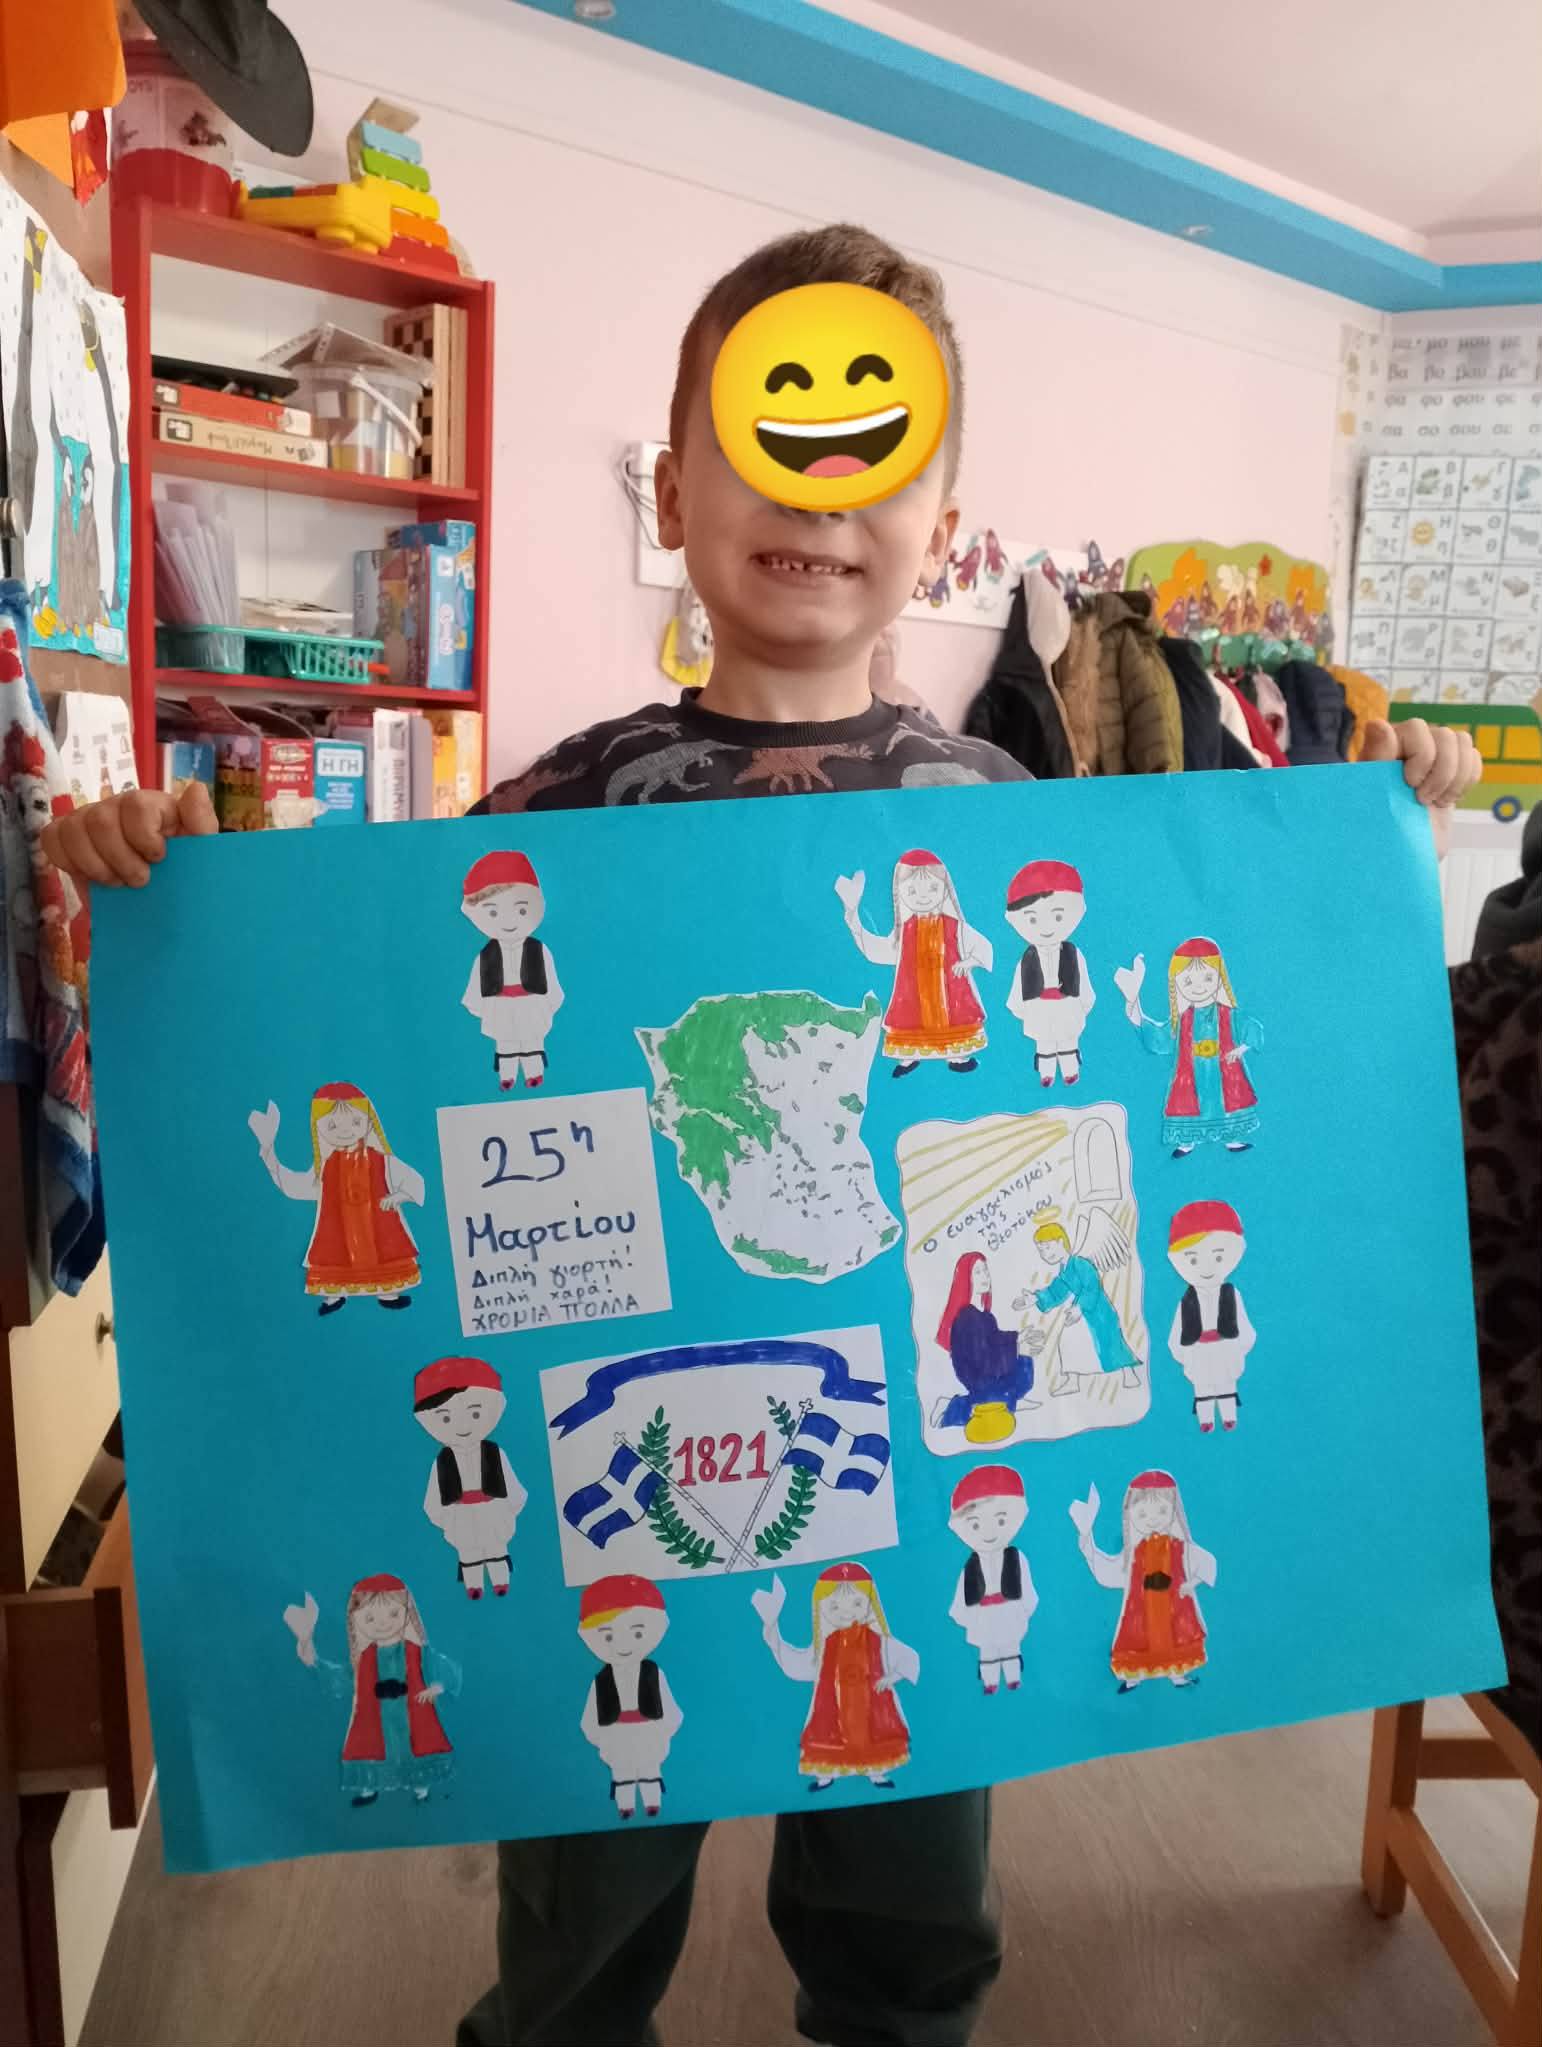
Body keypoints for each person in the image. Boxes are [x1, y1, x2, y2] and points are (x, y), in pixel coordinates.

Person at [42, 221, 1478, 2047]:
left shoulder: (1002, 807)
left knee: (908, 1924)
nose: (816, 492)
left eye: (876, 451)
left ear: (941, 522)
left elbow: (1170, 1037)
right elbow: (373, 1019)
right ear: (674, 483)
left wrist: (1386, 814)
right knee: (577, 1935)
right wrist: (164, 881)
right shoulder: (564, 803)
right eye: (759, 437)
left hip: (913, 1451)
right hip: (618, 1457)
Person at [248, 1081, 424, 1314]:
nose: (345, 1131)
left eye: (356, 1122)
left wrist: (399, 1196)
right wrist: (268, 1151)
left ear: (368, 1121)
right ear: (318, 1127)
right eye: (332, 1125)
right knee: (334, 1255)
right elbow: (295, 1187)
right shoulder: (326, 1167)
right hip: (340, 1231)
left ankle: (388, 1292)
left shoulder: (383, 1161)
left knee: (385, 1255)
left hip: (378, 1227)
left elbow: (414, 1180)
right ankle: (335, 1295)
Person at [284, 1574, 458, 1807]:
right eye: (370, 1618)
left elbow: (440, 1667)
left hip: (412, 1712)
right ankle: (369, 1789)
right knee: (372, 1749)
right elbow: (341, 1678)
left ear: (407, 1613)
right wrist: (310, 1653)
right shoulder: (364, 1659)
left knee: (415, 1747)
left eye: (393, 1614)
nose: (383, 1624)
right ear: (356, 1621)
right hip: (376, 1716)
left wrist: (438, 1685)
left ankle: (421, 1790)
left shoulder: (417, 1651)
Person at [752, 1563, 919, 1789]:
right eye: (835, 1606)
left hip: (871, 1704)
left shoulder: (878, 1641)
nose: (846, 1612)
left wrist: (892, 1677)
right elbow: (797, 1664)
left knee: (874, 1735)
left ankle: (875, 1772)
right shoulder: (825, 1645)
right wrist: (771, 1628)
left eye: (857, 1603)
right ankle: (827, 1774)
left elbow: (908, 1657)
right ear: (822, 1608)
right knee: (829, 1736)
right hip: (834, 1706)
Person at [835, 847, 992, 1075]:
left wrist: (969, 962)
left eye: (933, 888)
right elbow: (877, 951)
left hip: (949, 990)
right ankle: (910, 1056)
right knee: (910, 1018)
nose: (923, 896)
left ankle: (956, 1056)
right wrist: (852, 915)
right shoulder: (905, 931)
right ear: (900, 893)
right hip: (914, 993)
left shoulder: (954, 926)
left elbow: (981, 945)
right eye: (912, 890)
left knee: (955, 1019)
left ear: (945, 889)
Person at [1115, 936, 1263, 1157]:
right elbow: (1158, 1039)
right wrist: (1133, 1001)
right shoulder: (1183, 1020)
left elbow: (1252, 1028)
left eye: (1208, 978)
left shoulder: (1228, 1015)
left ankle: (1231, 1137)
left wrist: (1240, 1049)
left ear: (1220, 977)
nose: (1199, 987)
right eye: (1188, 981)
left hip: (1225, 1076)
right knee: (1187, 1103)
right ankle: (1187, 1140)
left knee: (1228, 1103)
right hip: (1191, 1078)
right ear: (1177, 983)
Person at [1069, 1471, 1216, 1691]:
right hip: (1141, 1611)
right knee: (1138, 1641)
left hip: (1174, 1608)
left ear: (1174, 1511)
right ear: (1131, 1514)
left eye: (1162, 1511)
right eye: (1143, 1513)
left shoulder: (1180, 1547)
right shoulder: (1134, 1553)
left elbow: (1206, 1563)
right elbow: (1107, 1571)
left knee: (1175, 1639)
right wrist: (1086, 1537)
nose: (1153, 1519)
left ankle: (1176, 1675)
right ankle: (1134, 1677)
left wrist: (1190, 1584)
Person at [413, 1357, 528, 1599]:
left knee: (496, 1546)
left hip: (492, 1507)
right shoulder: (442, 1461)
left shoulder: (495, 1453)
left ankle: (500, 1581)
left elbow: (512, 1485)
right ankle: (473, 1585)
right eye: (446, 1418)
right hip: (460, 1512)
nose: (462, 1426)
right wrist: (444, 1517)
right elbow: (433, 1497)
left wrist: (509, 1507)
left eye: (475, 1413)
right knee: (468, 1550)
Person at [577, 1575, 683, 1821]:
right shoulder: (601, 1681)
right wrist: (599, 1737)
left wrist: (665, 1728)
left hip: (648, 1728)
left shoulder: (654, 1674)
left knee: (649, 1767)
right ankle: (625, 1805)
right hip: (616, 1731)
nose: (623, 1645)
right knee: (622, 1771)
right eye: (609, 1637)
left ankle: (652, 1802)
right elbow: (590, 1717)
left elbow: (669, 1707)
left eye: (637, 1634)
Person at [460, 850, 564, 1092]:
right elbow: (476, 985)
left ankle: (534, 1072)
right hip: (501, 1002)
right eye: (493, 912)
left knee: (532, 1039)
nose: (508, 921)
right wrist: (481, 1006)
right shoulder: (486, 955)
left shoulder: (539, 950)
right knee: (505, 1041)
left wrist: (549, 1002)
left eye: (521, 910)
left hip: (531, 1000)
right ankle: (507, 1075)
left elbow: (552, 981)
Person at [1164, 1200, 1255, 1432]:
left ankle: (1229, 1416)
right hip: (1199, 1349)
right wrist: (1183, 1353)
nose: (1206, 1268)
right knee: (1203, 1387)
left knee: (1226, 1383)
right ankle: (1205, 1419)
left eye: (1217, 1257)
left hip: (1225, 1345)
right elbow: (1177, 1332)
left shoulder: (1232, 1295)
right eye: (1193, 1259)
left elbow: (1244, 1325)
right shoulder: (1186, 1301)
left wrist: (1240, 1345)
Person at [1002, 858, 1094, 1087]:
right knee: (1044, 1042)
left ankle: (1070, 1069)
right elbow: (1018, 987)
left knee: (1068, 1039)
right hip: (1039, 1004)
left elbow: (1083, 981)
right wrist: (1022, 1008)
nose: (1046, 928)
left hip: (1067, 1002)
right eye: (1033, 919)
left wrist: (1084, 1003)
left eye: (1058, 916)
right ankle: (1046, 1072)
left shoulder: (1073, 953)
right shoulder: (1027, 959)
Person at [1022, 1219, 1140, 1394]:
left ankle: (1129, 1374)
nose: (1045, 1254)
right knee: (1067, 1340)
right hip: (1080, 1312)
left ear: (1060, 1242)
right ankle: (1072, 1382)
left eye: (1047, 1247)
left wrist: (1080, 1307)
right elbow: (1056, 1291)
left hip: (1098, 1311)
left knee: (1112, 1343)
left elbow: (1092, 1286)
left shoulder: (1080, 1263)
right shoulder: (1064, 1270)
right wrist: (1035, 1298)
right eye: (1041, 1250)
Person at [935, 1248, 1041, 1441]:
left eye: (985, 1270)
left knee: (1023, 1377)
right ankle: (956, 1407)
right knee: (996, 1397)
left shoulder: (985, 1316)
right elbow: (983, 1361)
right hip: (979, 1379)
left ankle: (1006, 1400)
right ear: (966, 1278)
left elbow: (994, 1339)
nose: (985, 1276)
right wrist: (1017, 1349)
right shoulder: (966, 1318)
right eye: (977, 1272)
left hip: (990, 1372)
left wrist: (1018, 1338)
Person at [946, 1465, 1036, 1692]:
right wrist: (966, 1616)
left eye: (1001, 1520)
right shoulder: (970, 1567)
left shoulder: (1017, 1558)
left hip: (1009, 1607)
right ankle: (990, 1681)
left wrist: (1025, 1608)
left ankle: (1013, 1677)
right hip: (984, 1613)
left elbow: (1027, 1586)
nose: (988, 1533)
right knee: (987, 1650)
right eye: (976, 1524)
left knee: (1011, 1646)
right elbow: (962, 1597)